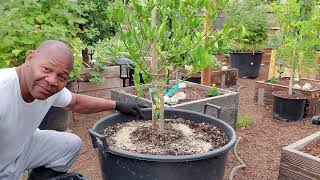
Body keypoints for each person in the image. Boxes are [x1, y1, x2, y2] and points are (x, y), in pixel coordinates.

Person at [0, 40, 144, 180]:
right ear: (29, 59)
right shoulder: (4, 89)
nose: (51, 80)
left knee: (70, 145)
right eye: (46, 69)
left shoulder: (46, 87)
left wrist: (117, 104)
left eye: (61, 77)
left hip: (19, 147)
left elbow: (75, 102)